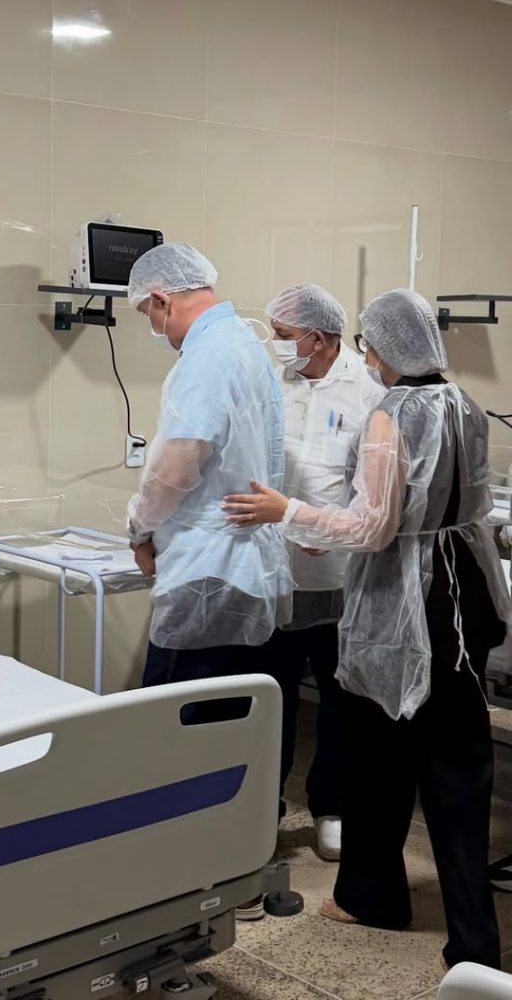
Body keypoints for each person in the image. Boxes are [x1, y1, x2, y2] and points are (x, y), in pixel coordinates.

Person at [224, 289, 510, 969]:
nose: (368, 356)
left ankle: (372, 896)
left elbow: (374, 527)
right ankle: (474, 940)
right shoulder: (465, 404)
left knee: (381, 755)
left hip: (407, 604)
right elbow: (456, 502)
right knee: (460, 764)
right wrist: (336, 527)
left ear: (381, 346)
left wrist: (288, 511)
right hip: (464, 592)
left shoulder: (390, 414)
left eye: (370, 345)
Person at [126, 243, 293, 919]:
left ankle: (194, 879)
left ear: (163, 299)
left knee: (178, 731)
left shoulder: (205, 358)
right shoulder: (248, 345)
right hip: (250, 570)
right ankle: (238, 867)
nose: (152, 326)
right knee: (239, 730)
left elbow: (175, 467)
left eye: (148, 313)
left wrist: (138, 527)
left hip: (207, 574)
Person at [263, 284, 385, 861]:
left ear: (318, 337)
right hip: (273, 571)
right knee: (272, 696)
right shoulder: (275, 382)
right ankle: (263, 806)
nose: (276, 344)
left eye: (283, 335)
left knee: (339, 700)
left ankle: (330, 806)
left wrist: (328, 529)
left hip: (340, 575)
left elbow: (378, 486)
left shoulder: (370, 391)